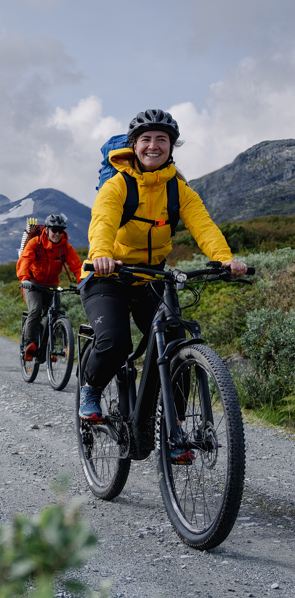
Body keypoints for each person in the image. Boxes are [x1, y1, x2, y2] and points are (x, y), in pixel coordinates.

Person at [78, 108, 247, 436]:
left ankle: (176, 427)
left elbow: (203, 224)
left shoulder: (178, 189)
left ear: (172, 146)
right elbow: (103, 222)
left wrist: (224, 258)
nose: (153, 146)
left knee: (175, 346)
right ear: (133, 145)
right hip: (108, 276)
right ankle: (91, 388)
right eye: (146, 140)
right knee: (114, 344)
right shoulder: (117, 186)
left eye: (162, 140)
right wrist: (101, 255)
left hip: (151, 277)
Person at [16, 214, 83, 361]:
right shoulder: (35, 243)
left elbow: (77, 267)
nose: (58, 234)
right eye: (54, 230)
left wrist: (82, 285)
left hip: (51, 285)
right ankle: (29, 346)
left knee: (55, 315)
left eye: (61, 230)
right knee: (35, 310)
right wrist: (25, 279)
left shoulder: (65, 247)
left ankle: (47, 348)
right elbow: (24, 261)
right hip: (32, 283)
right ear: (46, 229)